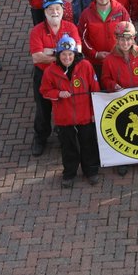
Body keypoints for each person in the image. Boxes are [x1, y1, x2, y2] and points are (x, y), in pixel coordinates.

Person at [39, 36, 101, 186]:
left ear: (75, 54)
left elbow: (95, 90)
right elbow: (44, 91)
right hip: (64, 119)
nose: (67, 58)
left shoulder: (86, 66)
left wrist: (94, 112)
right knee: (68, 147)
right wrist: (58, 94)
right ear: (58, 55)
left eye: (70, 54)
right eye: (64, 54)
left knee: (88, 144)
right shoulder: (50, 72)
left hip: (85, 116)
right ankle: (69, 173)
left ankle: (91, 171)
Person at [101, 21, 138, 174]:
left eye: (128, 39)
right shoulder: (109, 60)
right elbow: (105, 79)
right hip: (121, 102)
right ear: (116, 40)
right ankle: (122, 159)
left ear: (133, 39)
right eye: (122, 39)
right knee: (123, 130)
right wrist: (114, 86)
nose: (125, 43)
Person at [28, 0, 81, 157]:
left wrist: (50, 53)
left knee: (65, 106)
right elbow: (37, 57)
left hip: (65, 76)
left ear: (62, 10)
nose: (54, 12)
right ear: (44, 11)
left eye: (57, 8)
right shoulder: (37, 31)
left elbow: (77, 52)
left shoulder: (71, 27)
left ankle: (62, 133)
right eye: (50, 9)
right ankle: (41, 137)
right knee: (43, 108)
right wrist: (63, 55)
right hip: (44, 76)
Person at [77, 0, 133, 78]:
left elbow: (130, 34)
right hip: (96, 63)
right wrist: (95, 54)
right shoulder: (86, 15)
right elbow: (82, 38)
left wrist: (121, 51)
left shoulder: (121, 11)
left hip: (118, 59)